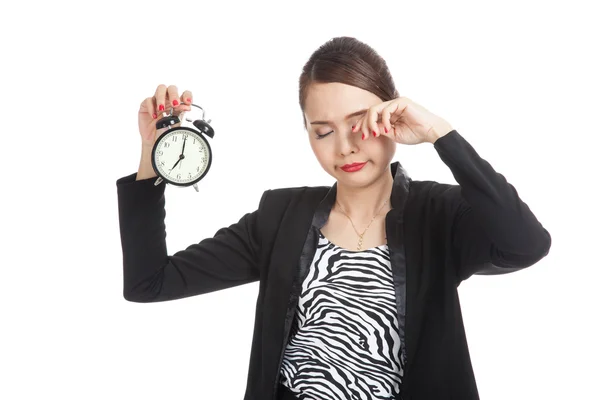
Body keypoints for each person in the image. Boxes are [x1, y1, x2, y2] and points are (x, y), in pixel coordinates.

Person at [116, 36, 551, 400]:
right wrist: (152, 157)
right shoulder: (279, 217)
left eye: (360, 122)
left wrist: (439, 133)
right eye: (322, 131)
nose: (344, 147)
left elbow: (526, 244)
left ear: (394, 113)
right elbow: (148, 282)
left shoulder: (439, 215)